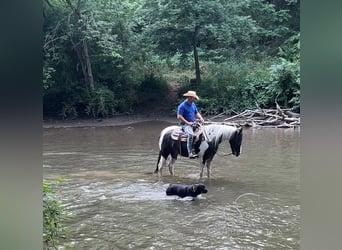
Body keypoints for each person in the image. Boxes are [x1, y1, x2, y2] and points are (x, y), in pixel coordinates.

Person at [177, 90, 204, 158]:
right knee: (191, 135)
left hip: (194, 123)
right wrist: (188, 123)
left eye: (194, 98)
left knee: (203, 132)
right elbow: (179, 116)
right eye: (193, 98)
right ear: (189, 97)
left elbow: (196, 113)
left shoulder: (193, 104)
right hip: (185, 124)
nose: (194, 99)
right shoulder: (182, 106)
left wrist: (201, 118)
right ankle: (190, 152)